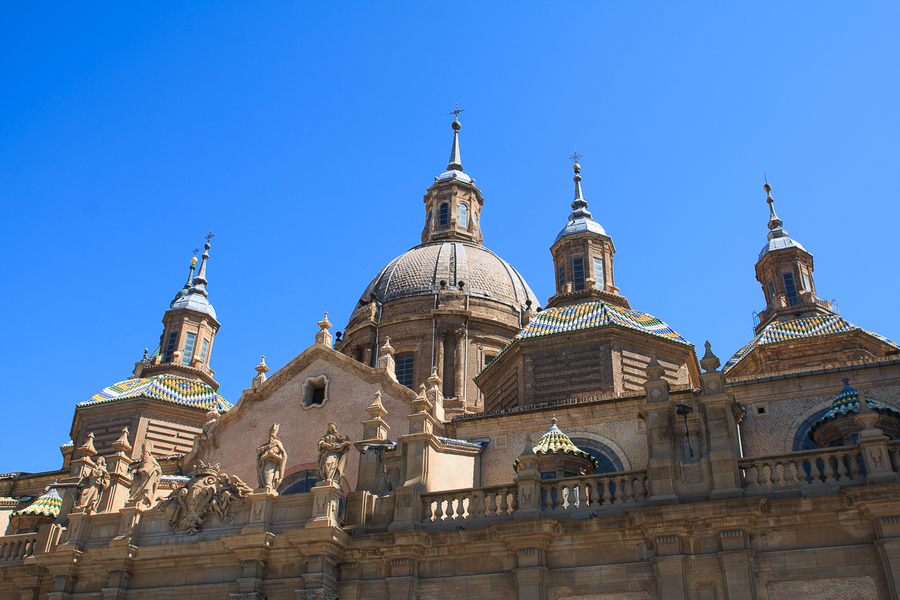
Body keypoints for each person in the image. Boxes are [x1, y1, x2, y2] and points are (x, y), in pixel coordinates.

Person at [128, 441, 162, 507]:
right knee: (136, 488)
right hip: (140, 477)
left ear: (149, 453)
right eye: (143, 453)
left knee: (145, 489)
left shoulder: (152, 459)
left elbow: (158, 468)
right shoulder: (142, 461)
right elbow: (140, 467)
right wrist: (136, 470)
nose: (144, 455)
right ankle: (135, 500)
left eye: (146, 453)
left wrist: (151, 471)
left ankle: (142, 500)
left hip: (147, 478)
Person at [256, 423, 287, 492]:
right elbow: (258, 451)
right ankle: (266, 484)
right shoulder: (267, 445)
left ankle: (269, 484)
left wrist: (273, 455)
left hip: (273, 462)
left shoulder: (277, 444)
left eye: (272, 437)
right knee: (265, 472)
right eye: (270, 437)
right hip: (265, 462)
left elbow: (282, 455)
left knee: (269, 471)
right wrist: (266, 448)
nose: (270, 439)